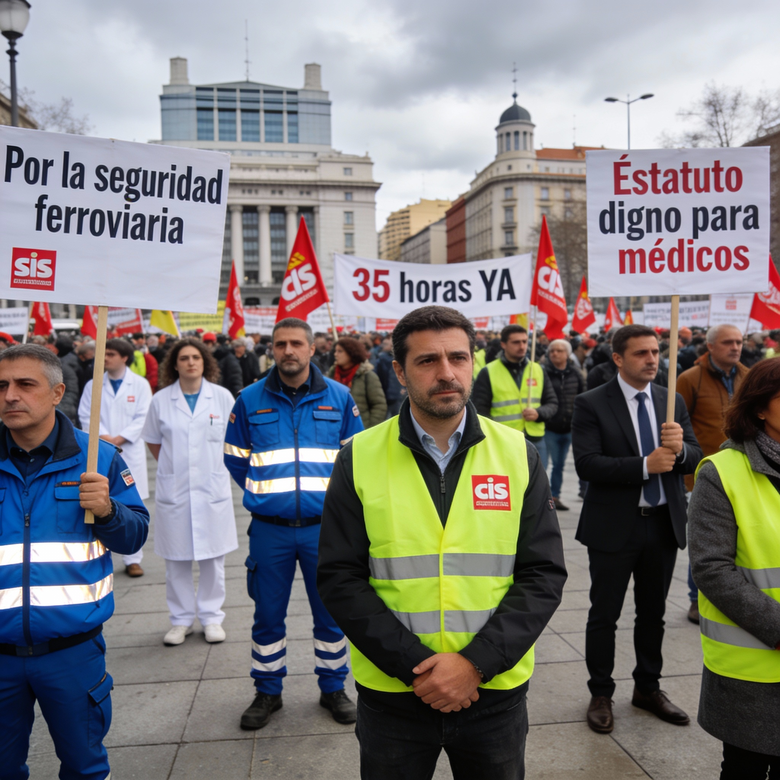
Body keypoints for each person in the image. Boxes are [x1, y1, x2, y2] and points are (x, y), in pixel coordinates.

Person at [318, 305, 567, 779]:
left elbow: (543, 573)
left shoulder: (517, 453)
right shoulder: (359, 456)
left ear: (473, 362)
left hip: (493, 692)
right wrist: (417, 667)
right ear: (400, 372)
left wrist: (475, 665)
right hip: (394, 695)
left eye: (458, 357)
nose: (447, 372)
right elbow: (339, 577)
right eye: (427, 360)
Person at [0, 344, 149, 780]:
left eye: (25, 384)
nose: (10, 396)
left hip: (72, 653)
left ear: (56, 392)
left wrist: (108, 510)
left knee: (85, 768)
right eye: (1, 385)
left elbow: (135, 535)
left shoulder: (97, 458)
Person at [224, 317, 364, 731]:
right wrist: (268, 493)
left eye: (296, 343)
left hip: (326, 529)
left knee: (332, 613)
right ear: (271, 348)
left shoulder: (339, 397)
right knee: (267, 615)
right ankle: (267, 691)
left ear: (312, 348)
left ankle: (333, 688)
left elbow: (357, 457)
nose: (288, 350)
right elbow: (235, 457)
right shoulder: (249, 399)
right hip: (270, 529)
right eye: (281, 343)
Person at [571, 324, 702, 734]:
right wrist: (645, 465)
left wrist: (681, 450)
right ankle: (601, 692)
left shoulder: (670, 400)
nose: (652, 360)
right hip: (614, 527)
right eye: (641, 353)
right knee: (604, 615)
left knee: (653, 614)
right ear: (618, 358)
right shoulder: (592, 402)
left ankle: (648, 687)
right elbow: (587, 464)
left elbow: (695, 455)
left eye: (655, 352)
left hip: (662, 525)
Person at [688, 358, 780, 779]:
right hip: (752, 667)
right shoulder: (721, 472)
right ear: (759, 408)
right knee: (747, 767)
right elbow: (711, 568)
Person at [142, 338, 238, 646]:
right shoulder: (161, 400)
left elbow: (233, 439)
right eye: (184, 358)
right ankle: (180, 620)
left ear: (205, 361)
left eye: (196, 357)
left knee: (213, 559)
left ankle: (211, 618)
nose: (191, 362)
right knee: (176, 560)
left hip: (212, 489)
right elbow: (153, 440)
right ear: (175, 364)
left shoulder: (221, 397)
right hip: (176, 490)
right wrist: (173, 467)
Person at [677, 323, 748, 624]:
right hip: (704, 474)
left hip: (745, 474)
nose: (735, 347)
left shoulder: (748, 377)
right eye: (728, 342)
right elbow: (678, 426)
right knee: (705, 542)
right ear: (710, 346)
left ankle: (737, 598)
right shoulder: (689, 379)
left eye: (739, 341)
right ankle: (696, 600)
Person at [79, 338, 152, 578]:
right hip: (101, 450)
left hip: (129, 449)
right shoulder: (93, 385)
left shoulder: (140, 384)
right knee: (102, 502)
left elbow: (144, 416)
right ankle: (105, 555)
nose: (105, 358)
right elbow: (86, 414)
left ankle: (133, 559)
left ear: (124, 357)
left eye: (110, 354)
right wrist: (104, 438)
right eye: (104, 353)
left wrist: (120, 438)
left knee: (131, 504)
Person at [472, 324, 558, 466]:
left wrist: (539, 413)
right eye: (516, 342)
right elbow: (480, 412)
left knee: (540, 480)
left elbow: (552, 403)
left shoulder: (537, 369)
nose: (522, 346)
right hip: (503, 441)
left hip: (535, 440)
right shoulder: (488, 372)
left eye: (524, 341)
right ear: (503, 344)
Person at [543, 338, 585, 511]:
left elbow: (583, 397)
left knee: (559, 464)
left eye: (559, 351)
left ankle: (555, 496)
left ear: (567, 354)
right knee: (544, 463)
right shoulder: (543, 372)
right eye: (552, 351)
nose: (555, 354)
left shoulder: (575, 373)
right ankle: (543, 496)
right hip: (549, 427)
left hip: (569, 427)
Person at [329, 336, 387, 428]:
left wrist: (370, 429)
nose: (335, 354)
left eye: (340, 351)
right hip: (335, 428)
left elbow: (379, 405)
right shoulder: (331, 375)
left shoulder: (367, 375)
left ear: (351, 353)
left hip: (359, 428)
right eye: (335, 351)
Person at [374, 335, 406, 418]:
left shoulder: (396, 359)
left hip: (394, 395)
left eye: (386, 344)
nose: (382, 346)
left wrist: (403, 388)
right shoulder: (382, 358)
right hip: (388, 394)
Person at [204, 332, 242, 397]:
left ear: (215, 343)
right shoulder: (207, 357)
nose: (207, 346)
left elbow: (235, 380)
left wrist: (235, 397)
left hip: (224, 395)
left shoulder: (228, 357)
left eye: (209, 343)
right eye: (205, 343)